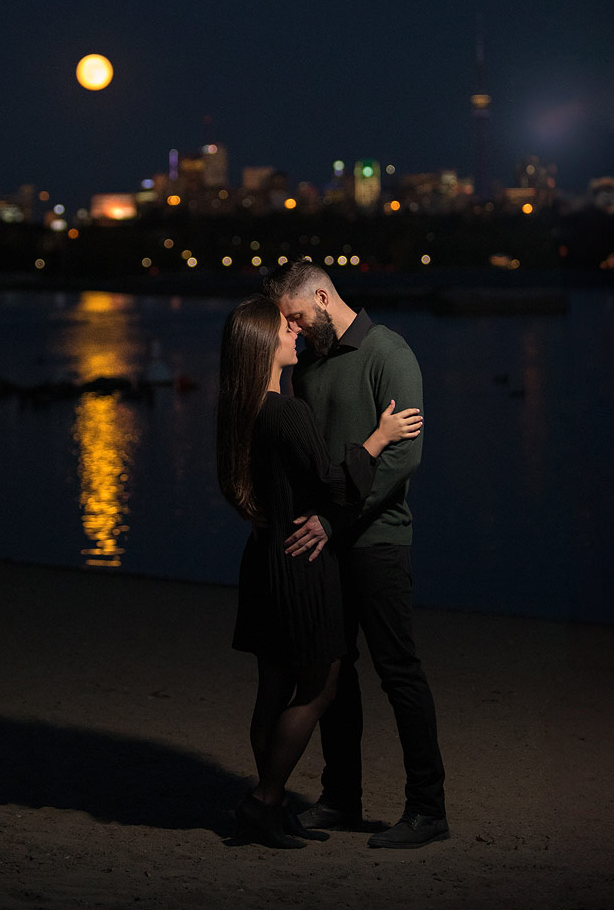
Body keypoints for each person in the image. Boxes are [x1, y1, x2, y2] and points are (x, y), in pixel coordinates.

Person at [217, 295, 423, 849]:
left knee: (273, 687)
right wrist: (378, 438)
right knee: (320, 686)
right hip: (301, 563)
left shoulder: (237, 409)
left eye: (294, 320)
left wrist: (266, 516)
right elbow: (334, 484)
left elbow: (237, 485)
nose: (294, 333)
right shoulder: (287, 410)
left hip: (263, 558)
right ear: (265, 345)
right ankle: (264, 801)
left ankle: (274, 801)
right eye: (284, 327)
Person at [263, 259, 449, 850]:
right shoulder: (310, 363)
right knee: (332, 679)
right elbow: (315, 460)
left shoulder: (389, 353)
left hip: (378, 542)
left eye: (294, 316)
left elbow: (403, 459)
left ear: (323, 296)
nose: (291, 329)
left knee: (400, 674)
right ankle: (342, 799)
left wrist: (332, 519)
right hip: (324, 541)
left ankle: (427, 809)